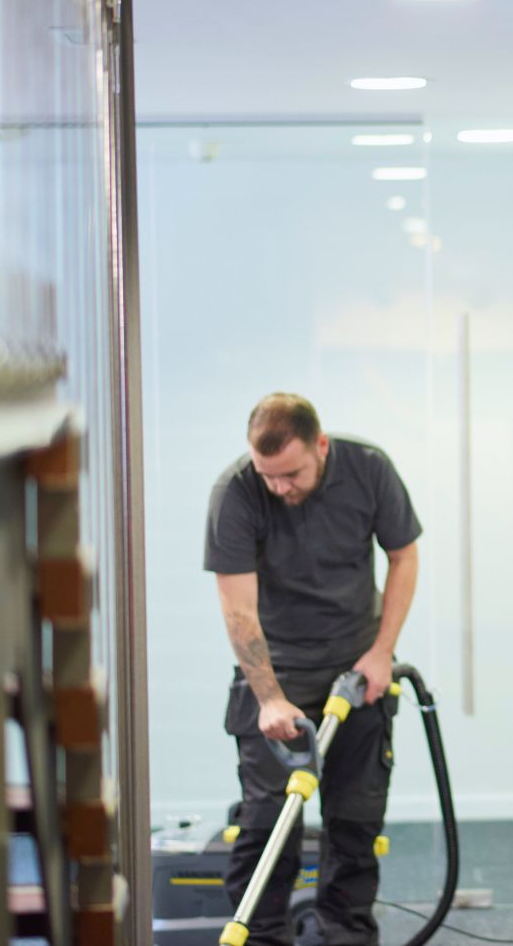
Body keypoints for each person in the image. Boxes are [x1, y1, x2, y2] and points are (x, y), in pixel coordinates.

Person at [205, 393, 422, 945]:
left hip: (358, 670)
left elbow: (404, 555)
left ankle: (345, 938)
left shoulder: (368, 471)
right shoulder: (236, 492)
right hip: (275, 674)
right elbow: (238, 608)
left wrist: (382, 652)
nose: (280, 488)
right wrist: (270, 697)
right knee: (266, 829)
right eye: (268, 475)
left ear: (320, 446)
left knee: (354, 827)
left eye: (291, 474)